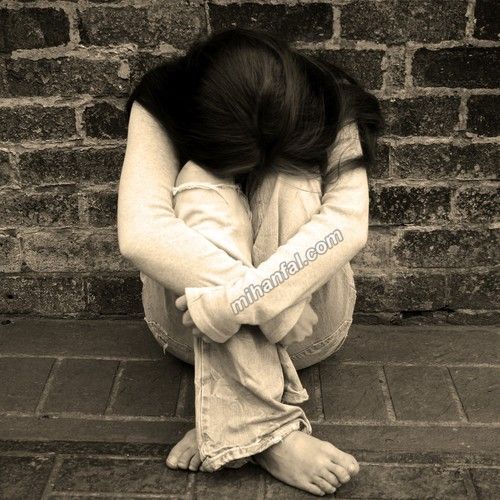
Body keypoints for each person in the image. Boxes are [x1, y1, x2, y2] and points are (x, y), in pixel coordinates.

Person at [117, 28, 383, 496]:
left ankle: (230, 424)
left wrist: (231, 304)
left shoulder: (330, 101)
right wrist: (276, 307)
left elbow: (346, 225)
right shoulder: (164, 101)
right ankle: (265, 433)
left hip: (305, 328)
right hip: (197, 331)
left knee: (288, 178)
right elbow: (142, 235)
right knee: (200, 182)